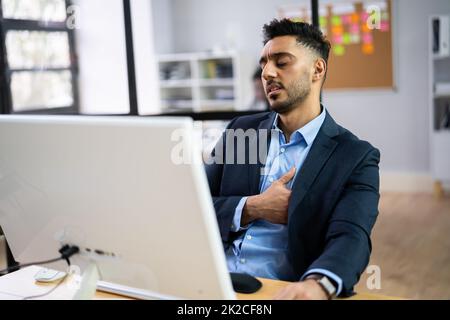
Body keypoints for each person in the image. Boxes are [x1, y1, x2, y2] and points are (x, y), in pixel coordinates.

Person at [205, 19, 380, 300]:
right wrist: (252, 207)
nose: (267, 73)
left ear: (317, 69)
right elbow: (195, 205)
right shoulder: (241, 131)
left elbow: (351, 236)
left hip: (281, 289)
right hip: (210, 279)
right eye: (263, 64)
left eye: (282, 62)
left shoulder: (355, 157)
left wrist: (318, 284)